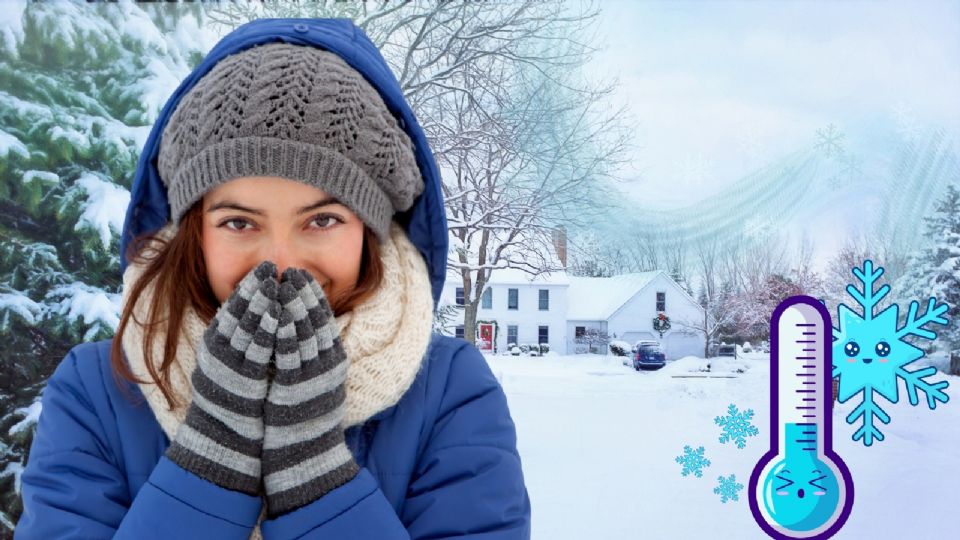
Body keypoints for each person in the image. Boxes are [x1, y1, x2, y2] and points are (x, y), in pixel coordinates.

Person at [15, 18, 531, 539]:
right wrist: (209, 466)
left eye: (322, 220)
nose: (282, 264)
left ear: (369, 232)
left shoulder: (449, 390)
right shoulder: (96, 390)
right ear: (194, 232)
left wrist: (319, 484)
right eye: (239, 222)